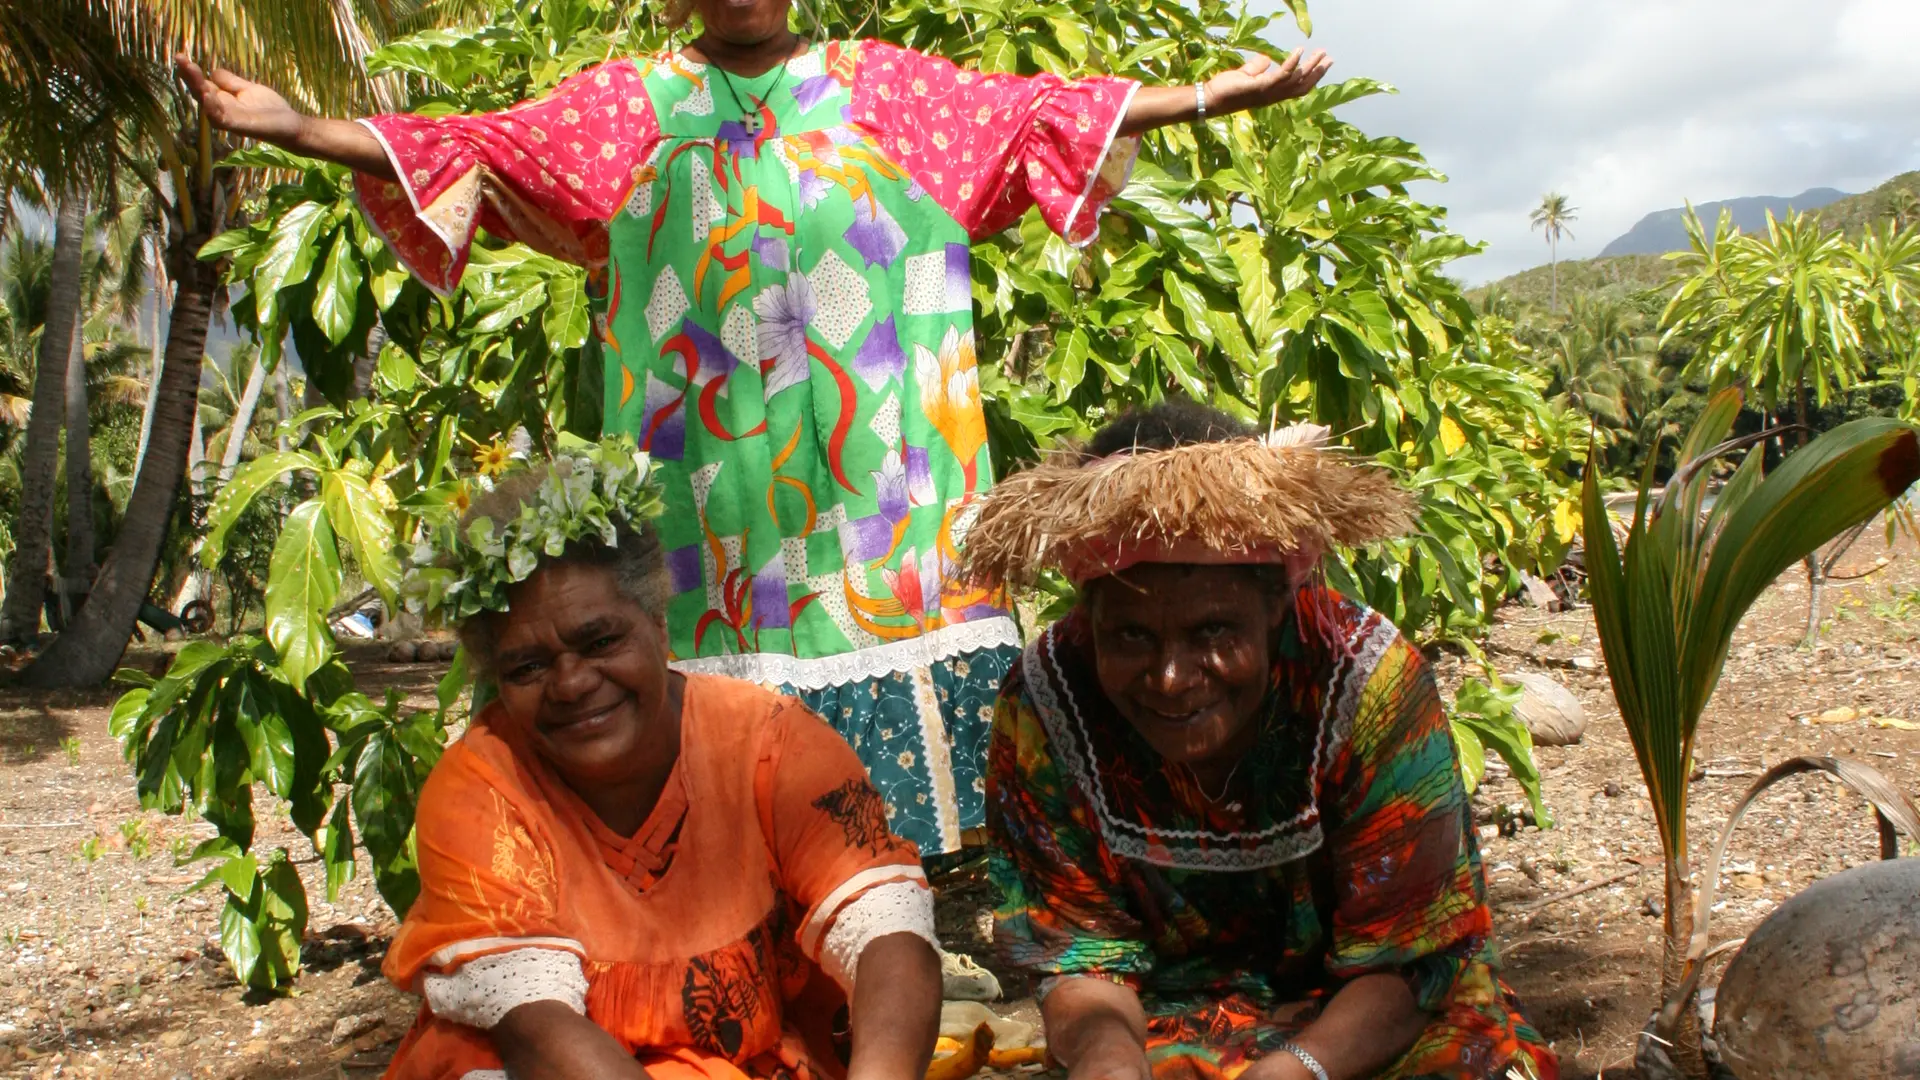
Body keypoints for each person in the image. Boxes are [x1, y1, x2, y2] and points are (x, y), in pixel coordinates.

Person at [174, 4, 1333, 856]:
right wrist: (302, 127)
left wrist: (1216, 98)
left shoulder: (887, 92)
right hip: (709, 541)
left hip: (892, 523)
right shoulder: (628, 111)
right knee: (733, 842)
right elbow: (479, 147)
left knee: (905, 867)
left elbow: (1042, 112)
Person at [964, 402, 1558, 1080]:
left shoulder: (1367, 685)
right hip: (1160, 1026)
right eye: (1131, 635)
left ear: (1276, 601)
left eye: (1213, 632)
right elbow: (1083, 961)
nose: (1170, 678)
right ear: (1088, 609)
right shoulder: (1046, 702)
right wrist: (1109, 1060)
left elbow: (1409, 965)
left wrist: (1296, 1068)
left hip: (1371, 1018)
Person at [378, 438, 943, 1080]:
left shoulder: (770, 744)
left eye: (600, 641)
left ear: (659, 627)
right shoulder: (479, 791)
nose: (571, 684)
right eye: (529, 666)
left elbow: (888, 938)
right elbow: (539, 1034)